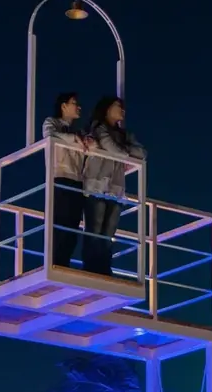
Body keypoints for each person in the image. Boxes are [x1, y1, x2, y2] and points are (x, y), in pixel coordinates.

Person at [83, 96, 146, 276]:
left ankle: (104, 268)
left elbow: (142, 153)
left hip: (116, 188)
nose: (122, 110)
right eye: (118, 106)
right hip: (97, 185)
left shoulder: (125, 134)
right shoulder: (99, 128)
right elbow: (113, 149)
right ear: (107, 109)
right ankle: (91, 268)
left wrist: (124, 151)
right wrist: (126, 152)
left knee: (109, 231)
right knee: (95, 229)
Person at [42, 92, 93, 268]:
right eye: (74, 103)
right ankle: (56, 263)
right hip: (61, 178)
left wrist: (83, 140)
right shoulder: (52, 123)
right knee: (61, 222)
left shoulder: (79, 131)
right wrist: (74, 140)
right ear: (63, 106)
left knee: (73, 226)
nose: (78, 107)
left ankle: (64, 263)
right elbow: (50, 136)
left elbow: (90, 146)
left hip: (77, 181)